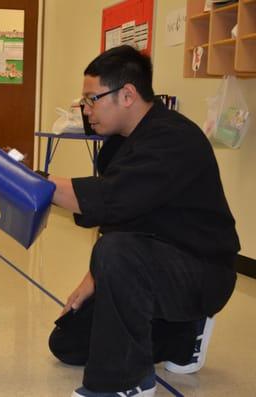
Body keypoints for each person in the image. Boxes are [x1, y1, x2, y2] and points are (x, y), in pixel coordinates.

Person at [44, 45, 239, 397]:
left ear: (128, 94)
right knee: (68, 343)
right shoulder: (117, 146)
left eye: (92, 99)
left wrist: (33, 182)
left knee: (116, 252)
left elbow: (108, 199)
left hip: (201, 270)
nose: (87, 110)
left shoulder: (174, 139)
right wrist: (94, 278)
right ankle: (182, 333)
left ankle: (127, 381)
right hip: (151, 262)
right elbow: (119, 214)